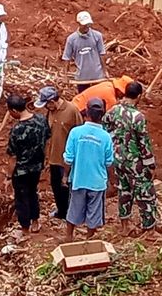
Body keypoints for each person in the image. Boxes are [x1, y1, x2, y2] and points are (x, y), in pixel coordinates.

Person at [101, 81, 159, 235]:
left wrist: (114, 143)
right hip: (135, 162)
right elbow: (143, 143)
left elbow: (105, 127)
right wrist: (151, 165)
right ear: (138, 96)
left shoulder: (114, 110)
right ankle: (149, 230)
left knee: (124, 190)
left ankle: (125, 225)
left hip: (118, 158)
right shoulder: (138, 117)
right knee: (145, 193)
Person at [63, 98, 114, 240]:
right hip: (97, 182)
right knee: (94, 213)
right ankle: (89, 240)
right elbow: (109, 162)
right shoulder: (106, 137)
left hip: (78, 179)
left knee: (74, 209)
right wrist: (110, 181)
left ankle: (69, 237)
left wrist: (65, 176)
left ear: (87, 113)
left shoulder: (75, 133)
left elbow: (68, 158)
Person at [5, 93, 50, 236]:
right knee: (33, 193)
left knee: (21, 198)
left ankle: (25, 228)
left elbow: (12, 156)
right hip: (37, 167)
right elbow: (48, 139)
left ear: (14, 111)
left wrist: (8, 175)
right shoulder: (41, 120)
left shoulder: (17, 130)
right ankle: (35, 221)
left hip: (21, 171)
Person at [35, 85, 82, 222]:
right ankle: (61, 211)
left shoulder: (72, 110)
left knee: (67, 187)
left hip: (67, 157)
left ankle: (72, 214)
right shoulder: (51, 112)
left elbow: (79, 133)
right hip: (54, 157)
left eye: (47, 104)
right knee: (56, 186)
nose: (46, 108)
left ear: (53, 101)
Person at [63, 11, 107, 92]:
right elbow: (67, 58)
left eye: (88, 24)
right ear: (78, 23)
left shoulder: (97, 36)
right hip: (82, 77)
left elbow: (102, 54)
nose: (87, 26)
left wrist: (105, 71)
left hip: (97, 76)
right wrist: (65, 75)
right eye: (84, 24)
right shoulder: (71, 39)